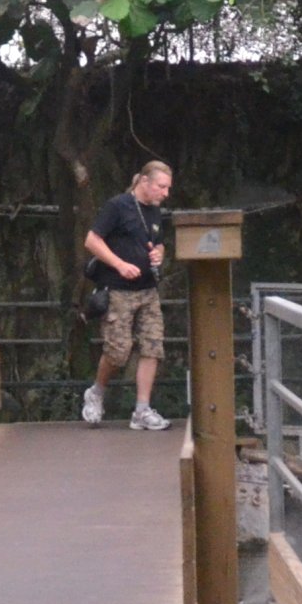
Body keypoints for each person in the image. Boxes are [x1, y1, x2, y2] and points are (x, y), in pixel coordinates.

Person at [81, 159, 172, 432]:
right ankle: (96, 392)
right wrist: (119, 264)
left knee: (152, 346)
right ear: (144, 181)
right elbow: (91, 240)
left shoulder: (155, 212)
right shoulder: (117, 206)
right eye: (161, 186)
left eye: (168, 188)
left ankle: (142, 410)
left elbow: (160, 243)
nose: (165, 193)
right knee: (118, 352)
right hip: (118, 291)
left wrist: (159, 254)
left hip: (148, 290)